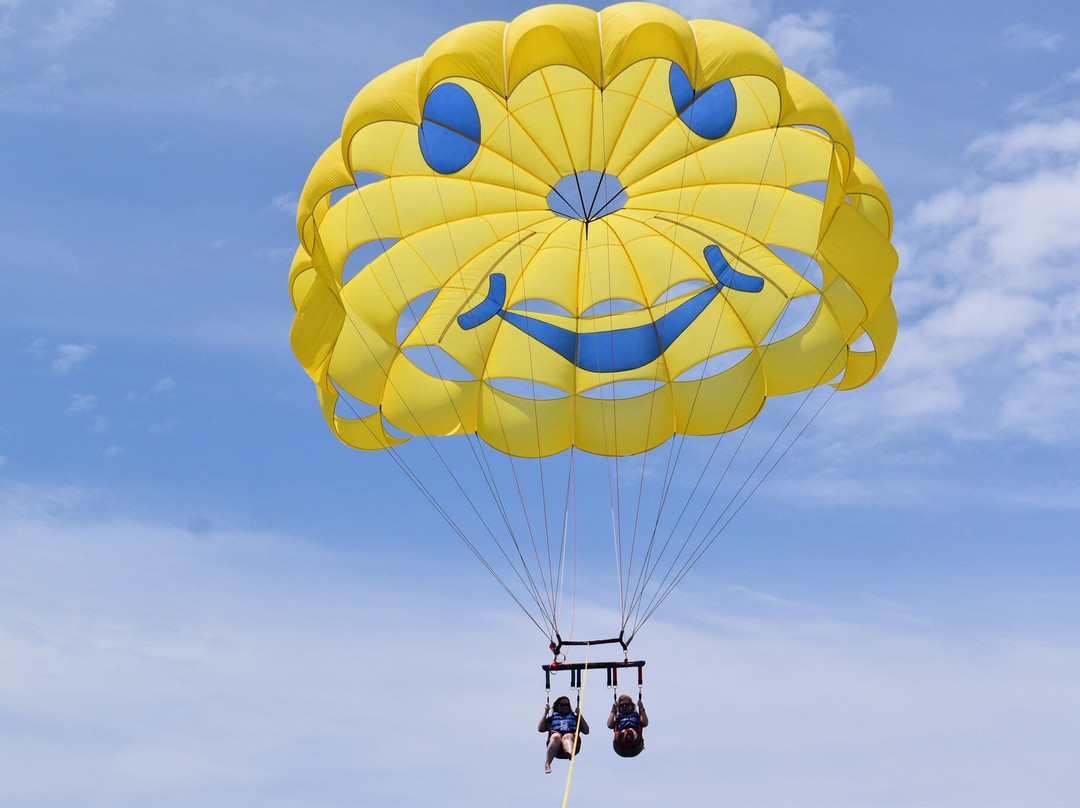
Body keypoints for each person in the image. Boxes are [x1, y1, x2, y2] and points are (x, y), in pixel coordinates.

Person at [539, 695, 589, 773]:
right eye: (562, 705)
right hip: (556, 747)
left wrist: (579, 715)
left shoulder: (575, 718)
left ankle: (569, 753)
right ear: (557, 706)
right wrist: (545, 713)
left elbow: (586, 731)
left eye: (567, 705)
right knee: (556, 736)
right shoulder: (552, 719)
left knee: (567, 736)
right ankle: (547, 763)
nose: (565, 707)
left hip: (572, 743)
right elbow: (540, 729)